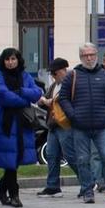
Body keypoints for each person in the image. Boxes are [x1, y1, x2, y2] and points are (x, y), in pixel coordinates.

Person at [62, 44, 105, 204]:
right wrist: (72, 115)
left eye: (91, 54)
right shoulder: (72, 75)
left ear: (96, 55)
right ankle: (87, 191)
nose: (89, 58)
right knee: (82, 159)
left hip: (101, 125)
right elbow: (63, 98)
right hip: (80, 126)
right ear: (81, 57)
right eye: (85, 55)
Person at [0, 48, 43, 208]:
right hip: (6, 122)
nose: (10, 62)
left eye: (13, 59)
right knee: (10, 159)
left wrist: (21, 91)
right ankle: (14, 195)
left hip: (23, 123)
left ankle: (1, 189)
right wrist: (23, 100)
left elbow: (36, 93)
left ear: (18, 60)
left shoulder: (25, 75)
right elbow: (3, 96)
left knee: (17, 156)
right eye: (7, 59)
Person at [38, 58, 71, 196]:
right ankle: (53, 186)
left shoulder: (70, 84)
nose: (53, 76)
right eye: (52, 74)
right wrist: (45, 100)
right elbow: (42, 101)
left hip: (64, 124)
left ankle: (87, 183)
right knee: (51, 155)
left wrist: (48, 101)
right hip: (53, 124)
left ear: (63, 71)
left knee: (71, 156)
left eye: (55, 73)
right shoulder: (53, 86)